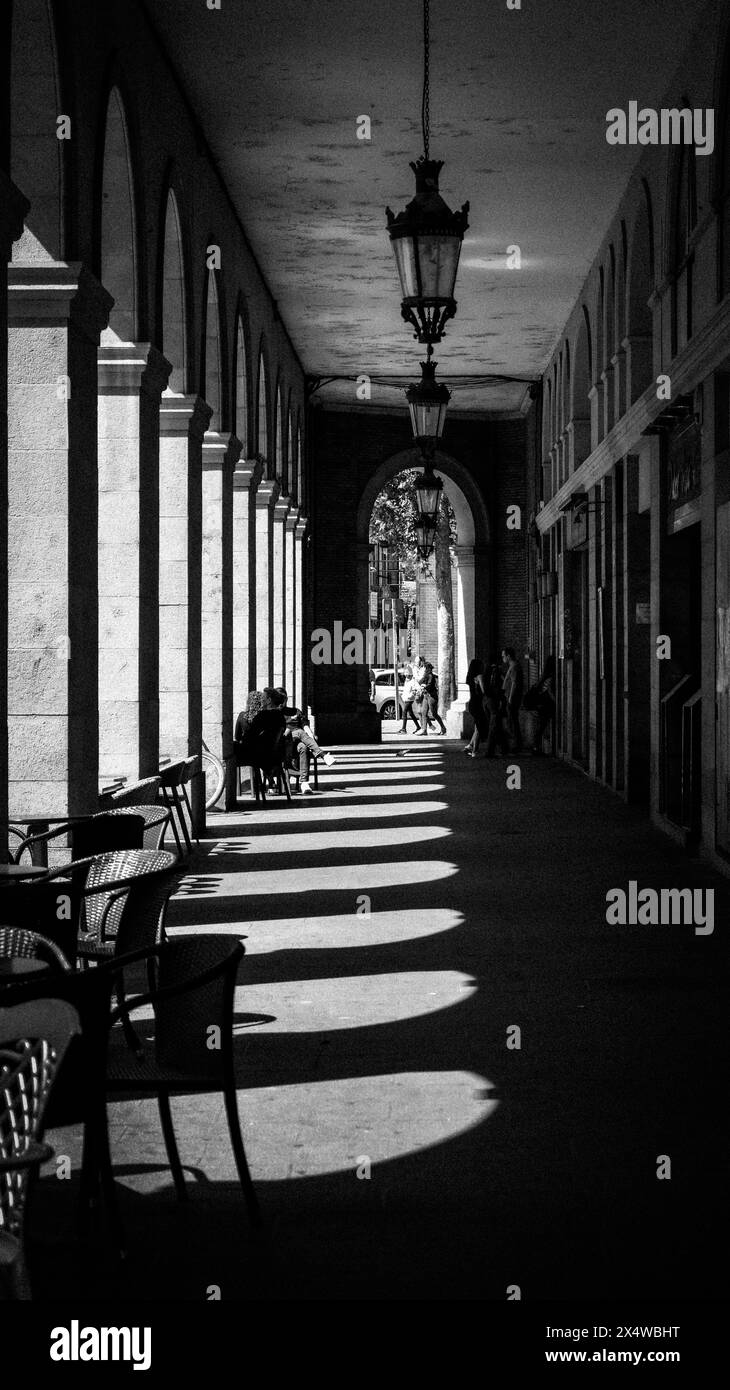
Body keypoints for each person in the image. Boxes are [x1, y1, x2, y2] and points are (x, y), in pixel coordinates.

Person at [273, 686, 335, 793]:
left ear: (287, 699)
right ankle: (323, 755)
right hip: (283, 742)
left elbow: (306, 726)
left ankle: (304, 783)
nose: (282, 701)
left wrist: (312, 738)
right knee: (299, 732)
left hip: (297, 743)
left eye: (283, 698)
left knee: (304, 747)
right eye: (279, 698)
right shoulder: (275, 714)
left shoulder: (296, 711)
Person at [529, 654, 555, 754]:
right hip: (546, 706)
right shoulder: (550, 678)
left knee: (540, 726)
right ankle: (536, 747)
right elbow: (550, 691)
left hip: (541, 705)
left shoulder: (544, 676)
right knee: (541, 726)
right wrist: (556, 701)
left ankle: (536, 747)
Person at [483, 655, 507, 758]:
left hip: (486, 700)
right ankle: (490, 751)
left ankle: (504, 747)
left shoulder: (486, 670)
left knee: (496, 725)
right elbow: (498, 686)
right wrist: (501, 698)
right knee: (494, 725)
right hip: (493, 700)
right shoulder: (496, 671)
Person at [501, 646, 524, 752]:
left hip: (512, 699)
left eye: (504, 656)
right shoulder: (513, 666)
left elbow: (514, 683)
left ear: (508, 656)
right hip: (511, 698)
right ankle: (516, 743)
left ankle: (516, 744)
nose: (503, 658)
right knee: (512, 721)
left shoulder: (514, 667)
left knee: (512, 721)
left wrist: (510, 698)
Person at [464, 657, 488, 756]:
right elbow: (483, 690)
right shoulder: (479, 676)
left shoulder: (470, 677)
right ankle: (475, 751)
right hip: (478, 703)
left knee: (477, 726)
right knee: (479, 726)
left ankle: (470, 745)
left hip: (472, 703)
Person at [418, 662, 446, 736]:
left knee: (434, 714)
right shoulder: (426, 675)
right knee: (423, 712)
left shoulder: (431, 676)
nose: (423, 669)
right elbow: (419, 682)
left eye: (424, 667)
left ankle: (443, 728)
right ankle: (424, 730)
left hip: (432, 697)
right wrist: (422, 681)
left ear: (428, 668)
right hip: (426, 696)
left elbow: (430, 685)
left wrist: (424, 686)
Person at [399, 666, 422, 733]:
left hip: (410, 699)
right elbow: (406, 689)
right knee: (411, 714)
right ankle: (418, 727)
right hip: (406, 699)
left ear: (410, 673)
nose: (406, 674)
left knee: (404, 711)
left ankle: (404, 729)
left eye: (407, 672)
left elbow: (418, 688)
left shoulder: (413, 680)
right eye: (405, 673)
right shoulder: (406, 680)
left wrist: (412, 694)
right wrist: (403, 695)